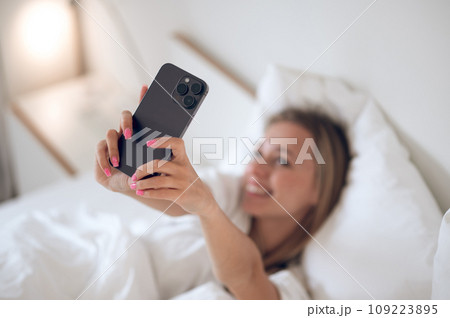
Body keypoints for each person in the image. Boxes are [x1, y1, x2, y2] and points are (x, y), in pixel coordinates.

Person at [95, 85, 350, 299]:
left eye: (282, 160)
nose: (256, 169)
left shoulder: (291, 285)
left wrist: (207, 209)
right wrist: (130, 183)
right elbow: (178, 203)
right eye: (258, 154)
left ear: (321, 189)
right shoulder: (231, 191)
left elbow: (246, 278)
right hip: (106, 261)